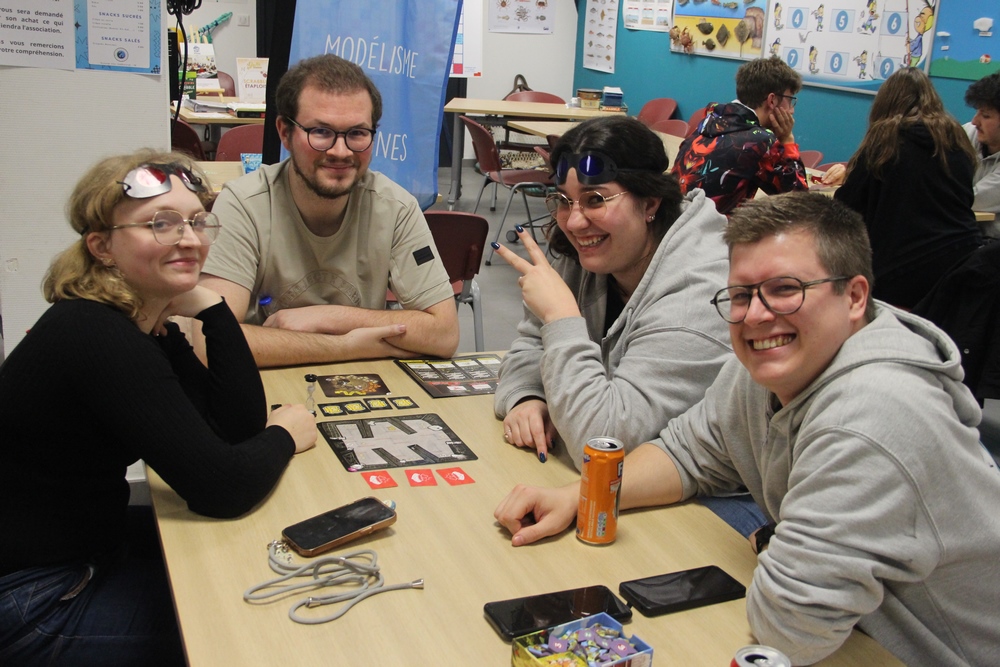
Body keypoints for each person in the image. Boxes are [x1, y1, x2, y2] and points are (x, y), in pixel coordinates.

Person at [494, 192, 1000, 666]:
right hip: (855, 633)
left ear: (854, 297)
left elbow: (790, 627)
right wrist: (582, 494)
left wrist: (781, 547)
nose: (756, 316)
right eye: (741, 294)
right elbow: (687, 452)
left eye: (786, 290)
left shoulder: (872, 418)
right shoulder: (768, 366)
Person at [0, 151, 317, 666]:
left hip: (79, 555)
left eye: (197, 221)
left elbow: (233, 428)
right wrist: (284, 434)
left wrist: (212, 307)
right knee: (254, 630)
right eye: (160, 224)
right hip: (33, 601)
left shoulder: (141, 320)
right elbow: (223, 489)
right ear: (101, 246)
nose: (189, 239)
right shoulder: (96, 334)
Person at [492, 116, 766, 537]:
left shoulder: (701, 293)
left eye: (595, 199)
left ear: (650, 203)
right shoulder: (593, 247)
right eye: (563, 200)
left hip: (717, 501)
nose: (574, 222)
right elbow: (532, 342)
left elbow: (602, 442)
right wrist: (527, 396)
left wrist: (562, 317)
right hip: (627, 481)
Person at [201, 54, 459, 367]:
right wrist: (348, 346)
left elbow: (444, 334)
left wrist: (330, 317)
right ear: (284, 133)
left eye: (357, 133)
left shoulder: (395, 208)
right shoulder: (244, 205)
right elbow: (208, 341)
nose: (340, 151)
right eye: (321, 132)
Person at [835, 67, 982, 309]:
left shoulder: (886, 138)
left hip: (901, 268)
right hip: (962, 258)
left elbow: (847, 206)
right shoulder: (956, 137)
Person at [671, 56, 808, 215]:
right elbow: (800, 203)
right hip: (712, 230)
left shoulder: (711, 120)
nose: (792, 110)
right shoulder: (760, 141)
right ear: (772, 100)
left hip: (673, 223)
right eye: (790, 101)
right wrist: (787, 141)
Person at [962, 71, 1000, 217]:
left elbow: (972, 199)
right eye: (977, 112)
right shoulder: (969, 134)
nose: (975, 121)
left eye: (985, 116)